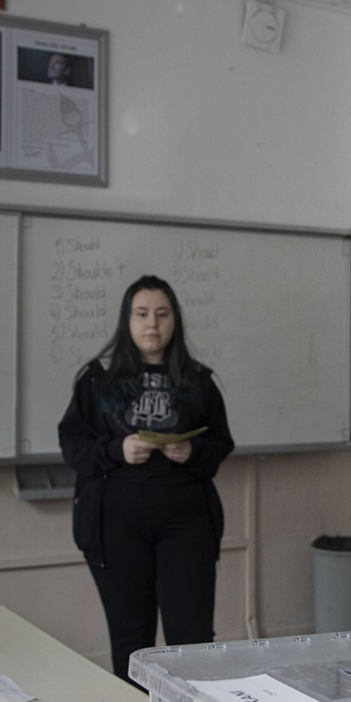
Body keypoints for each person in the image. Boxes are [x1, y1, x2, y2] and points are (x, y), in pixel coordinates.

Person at [58, 275, 234, 680]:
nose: (151, 324)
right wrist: (115, 450)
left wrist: (192, 452)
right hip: (115, 527)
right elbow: (72, 442)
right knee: (131, 641)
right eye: (141, 314)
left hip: (187, 526)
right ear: (127, 320)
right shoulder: (98, 377)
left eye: (161, 314)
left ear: (175, 321)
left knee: (191, 640)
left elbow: (221, 445)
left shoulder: (197, 380)